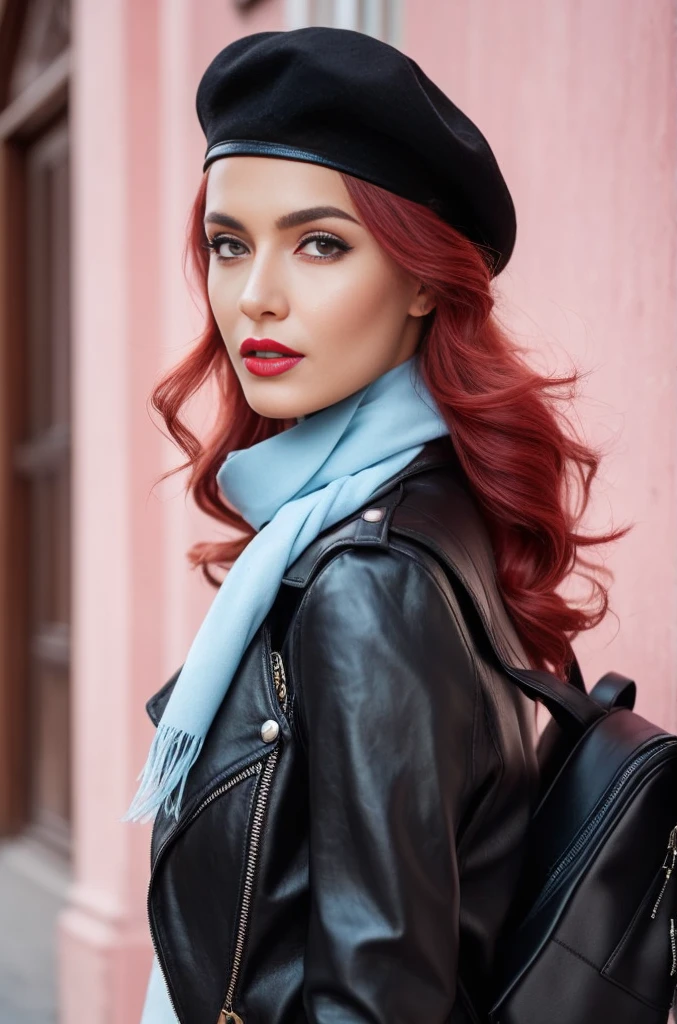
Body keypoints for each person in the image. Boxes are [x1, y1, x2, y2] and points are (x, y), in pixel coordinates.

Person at [127, 26, 627, 1024]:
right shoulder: (432, 495)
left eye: (319, 242)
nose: (254, 295)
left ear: (420, 280)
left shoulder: (368, 576)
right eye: (229, 244)